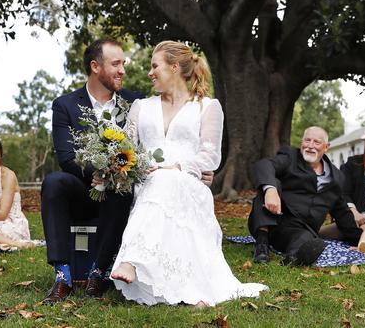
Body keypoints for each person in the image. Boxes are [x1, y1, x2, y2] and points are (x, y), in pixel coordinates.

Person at [109, 41, 268, 307]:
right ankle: (138, 264)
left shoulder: (207, 107)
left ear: (174, 67)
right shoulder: (140, 107)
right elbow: (126, 149)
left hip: (188, 183)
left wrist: (180, 168)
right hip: (148, 183)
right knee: (159, 179)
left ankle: (134, 261)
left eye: (154, 66)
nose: (150, 72)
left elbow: (210, 155)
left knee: (167, 178)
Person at [40, 38, 144, 303]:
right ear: (95, 66)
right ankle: (63, 275)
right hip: (84, 190)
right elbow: (66, 157)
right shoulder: (65, 105)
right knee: (54, 182)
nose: (122, 70)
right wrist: (99, 171)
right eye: (116, 63)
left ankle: (98, 273)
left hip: (121, 196)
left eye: (123, 63)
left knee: (121, 186)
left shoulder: (136, 102)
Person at [249, 126, 362, 265]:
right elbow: (264, 164)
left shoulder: (336, 178)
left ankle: (294, 257)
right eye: (307, 140)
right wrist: (271, 190)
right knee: (269, 184)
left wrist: (363, 241)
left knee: (306, 241)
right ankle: (262, 246)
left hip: (299, 230)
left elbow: (342, 213)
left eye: (316, 142)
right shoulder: (290, 156)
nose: (310, 146)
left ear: (326, 147)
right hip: (273, 218)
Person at [320, 127, 365, 239]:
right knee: (319, 234)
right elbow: (343, 193)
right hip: (359, 221)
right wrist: (354, 212)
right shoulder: (353, 164)